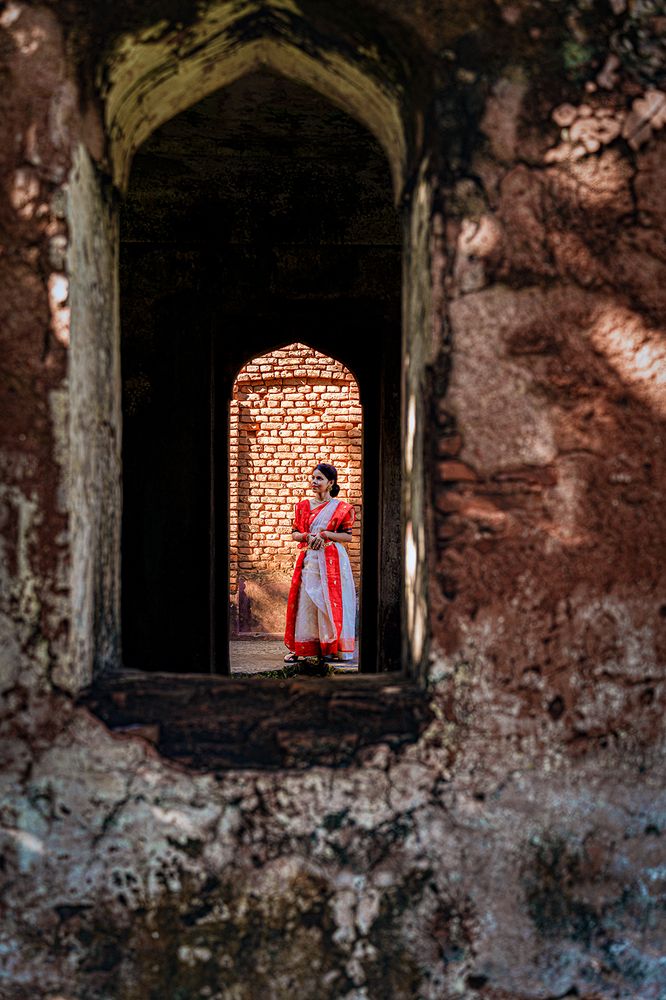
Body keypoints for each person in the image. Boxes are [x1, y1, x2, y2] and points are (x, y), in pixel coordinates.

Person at [284, 463, 356, 663]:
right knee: (307, 602)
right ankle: (305, 649)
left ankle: (331, 649)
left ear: (330, 483)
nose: (314, 482)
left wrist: (325, 534)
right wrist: (307, 537)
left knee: (328, 603)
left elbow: (347, 537)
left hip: (333, 561)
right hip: (310, 560)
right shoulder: (302, 507)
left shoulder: (342, 508)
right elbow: (294, 534)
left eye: (319, 479)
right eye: (313, 478)